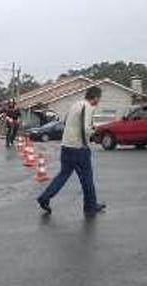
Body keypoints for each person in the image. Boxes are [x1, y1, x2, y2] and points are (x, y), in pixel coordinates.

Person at [37, 87, 106, 216]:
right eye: (99, 98)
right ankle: (90, 206)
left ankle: (45, 197)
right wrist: (94, 132)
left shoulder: (75, 105)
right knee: (87, 178)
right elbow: (86, 129)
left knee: (63, 175)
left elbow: (66, 122)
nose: (99, 101)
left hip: (66, 146)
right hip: (79, 148)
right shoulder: (88, 107)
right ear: (95, 97)